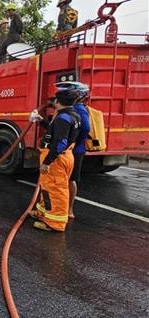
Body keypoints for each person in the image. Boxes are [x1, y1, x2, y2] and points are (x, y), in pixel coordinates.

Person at [30, 89, 81, 232]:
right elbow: (55, 132)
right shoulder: (72, 115)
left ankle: (55, 223)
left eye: (55, 100)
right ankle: (43, 213)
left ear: (58, 101)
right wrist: (41, 121)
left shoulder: (63, 118)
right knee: (47, 187)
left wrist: (47, 162)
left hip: (57, 158)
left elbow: (59, 143)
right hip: (63, 155)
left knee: (56, 189)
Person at [55, 81, 91, 219]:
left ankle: (68, 210)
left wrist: (73, 141)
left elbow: (86, 128)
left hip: (74, 151)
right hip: (69, 150)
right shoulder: (69, 109)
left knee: (70, 180)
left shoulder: (78, 109)